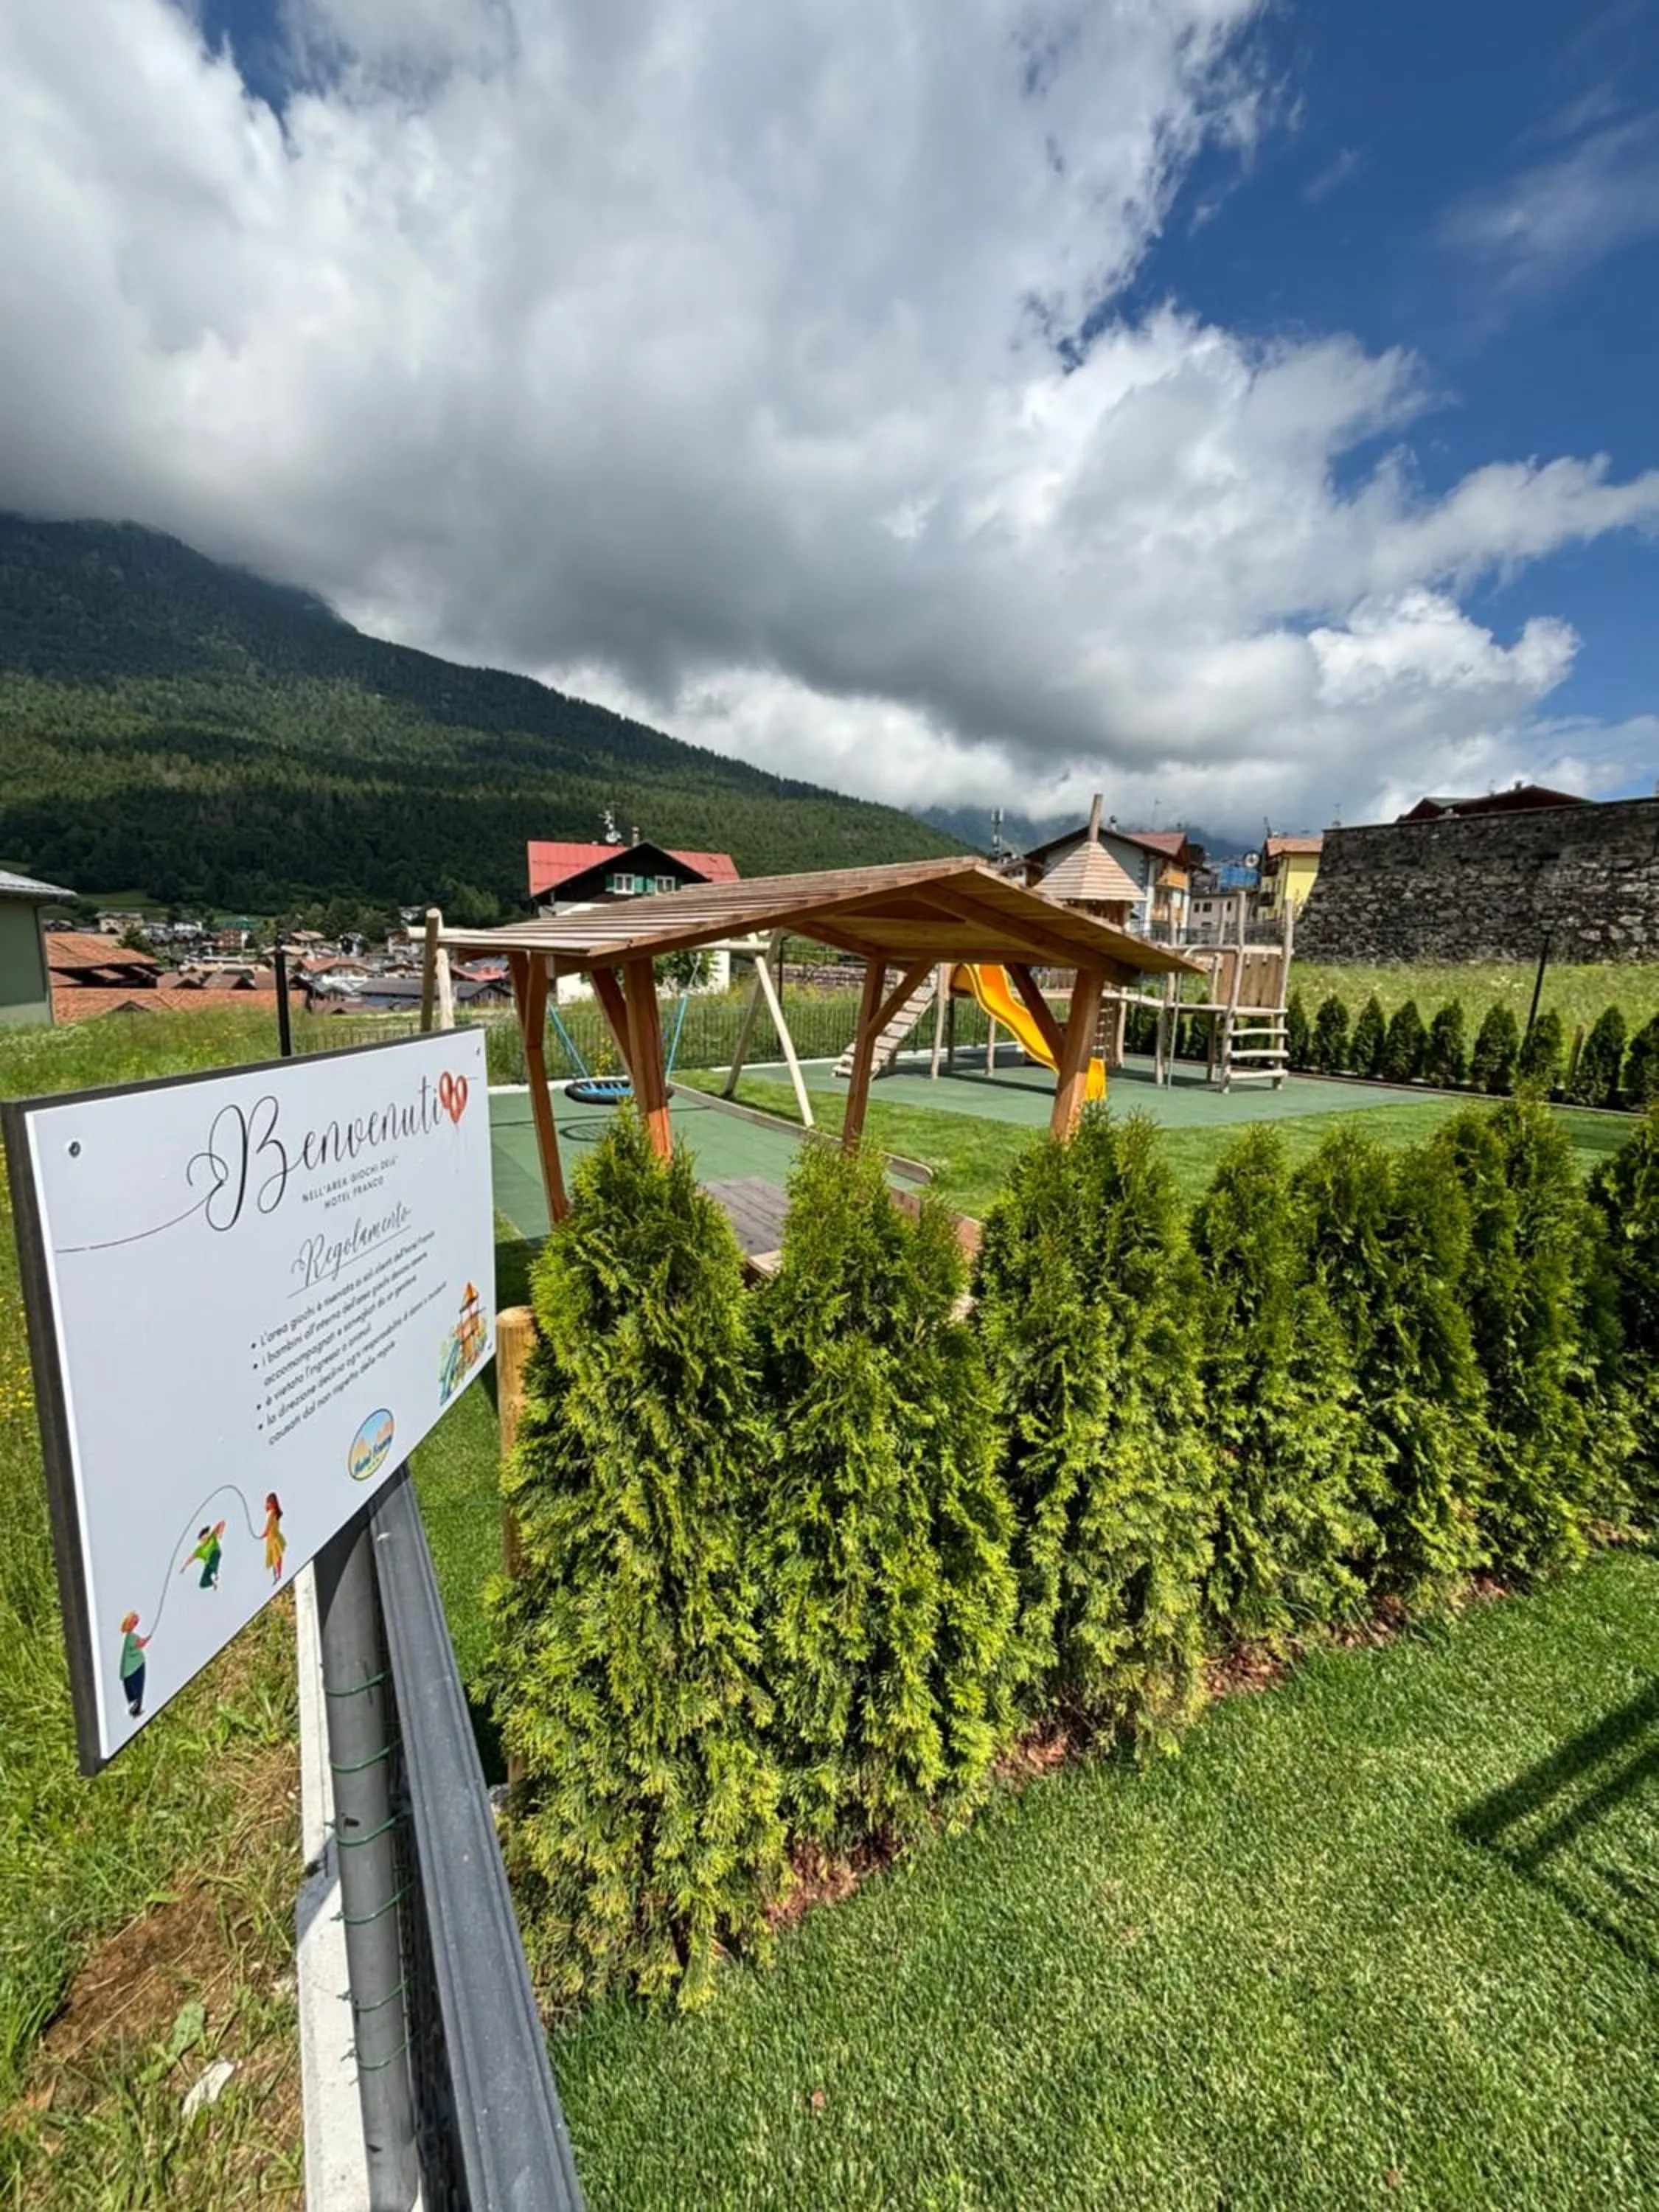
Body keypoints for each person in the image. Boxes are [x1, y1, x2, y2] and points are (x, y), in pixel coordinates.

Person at [181, 1519, 226, 1591]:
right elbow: (191, 1558)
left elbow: (222, 1523)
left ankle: (215, 1574)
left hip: (215, 1553)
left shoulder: (212, 1536)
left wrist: (220, 1533)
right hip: (208, 1563)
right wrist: (184, 1566)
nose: (204, 1540)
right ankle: (213, 1583)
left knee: (213, 1561)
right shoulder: (200, 1549)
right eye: (202, 1539)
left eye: (205, 1537)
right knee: (202, 1584)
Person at [119, 1613, 150, 1717]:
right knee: (136, 1688)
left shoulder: (130, 1637)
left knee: (134, 1689)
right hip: (135, 1667)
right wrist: (147, 1639)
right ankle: (135, 1708)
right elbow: (140, 1644)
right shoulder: (131, 1637)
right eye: (134, 1622)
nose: (136, 1625)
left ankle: (135, 1709)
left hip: (132, 1668)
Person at [262, 1493, 286, 1585]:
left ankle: (277, 1574)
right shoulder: (276, 1513)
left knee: (275, 1556)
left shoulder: (272, 1513)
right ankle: (278, 1574)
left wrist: (263, 1534)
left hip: (273, 1538)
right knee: (277, 1556)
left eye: (269, 1502)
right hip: (274, 1536)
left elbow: (268, 1527)